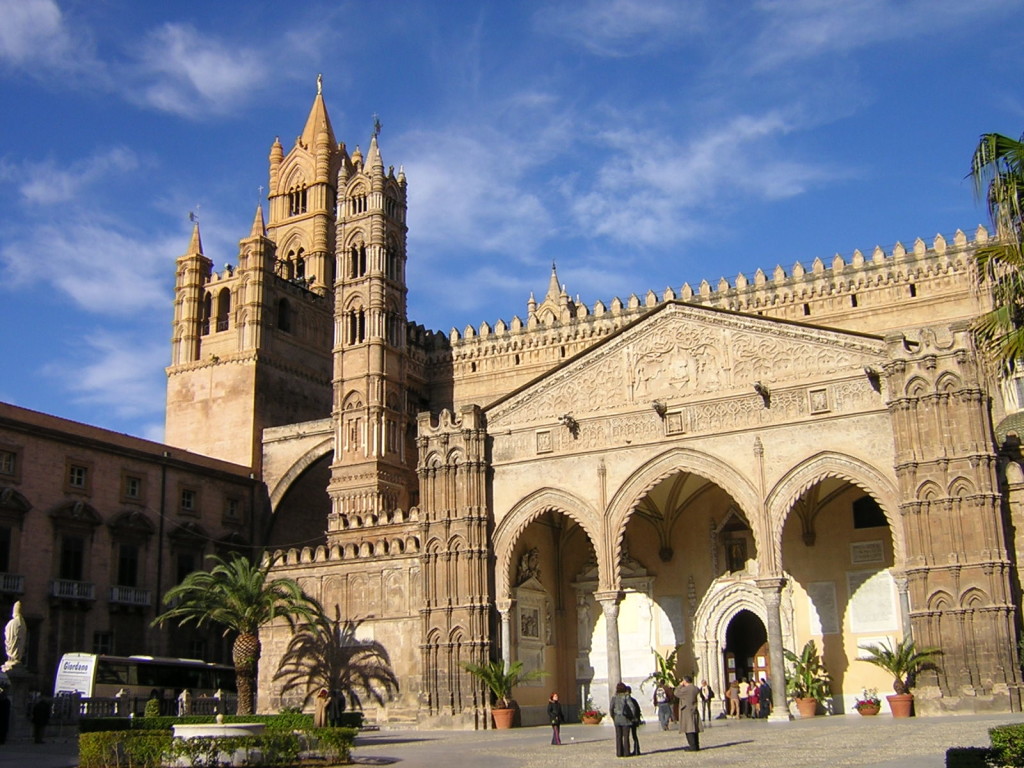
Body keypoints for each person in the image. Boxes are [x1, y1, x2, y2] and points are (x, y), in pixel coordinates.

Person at [674, 676, 701, 752]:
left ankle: (692, 746)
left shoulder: (686, 689)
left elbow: (676, 693)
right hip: (693, 709)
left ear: (685, 681)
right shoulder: (695, 688)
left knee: (689, 728)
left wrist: (680, 685)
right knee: (694, 728)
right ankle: (696, 745)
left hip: (687, 710)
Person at [609, 682, 633, 758]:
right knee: (626, 736)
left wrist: (613, 717)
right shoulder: (626, 697)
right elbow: (632, 707)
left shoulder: (614, 698)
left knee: (618, 736)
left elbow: (611, 708)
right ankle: (626, 752)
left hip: (617, 718)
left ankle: (619, 752)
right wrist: (632, 716)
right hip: (625, 718)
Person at [625, 685, 641, 755]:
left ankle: (628, 751)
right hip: (635, 720)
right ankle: (637, 750)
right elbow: (638, 710)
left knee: (627, 736)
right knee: (634, 735)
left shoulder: (625, 701)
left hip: (629, 720)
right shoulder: (634, 700)